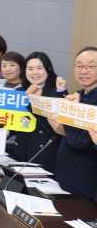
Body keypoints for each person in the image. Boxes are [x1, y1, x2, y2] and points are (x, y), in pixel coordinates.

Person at [50, 47, 97, 202]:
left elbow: (82, 141)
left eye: (90, 66)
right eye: (79, 66)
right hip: (65, 176)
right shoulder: (77, 95)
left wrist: (71, 112)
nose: (83, 71)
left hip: (86, 181)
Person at [19, 52, 67, 174]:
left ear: (48, 69)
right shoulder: (19, 91)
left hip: (44, 153)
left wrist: (36, 101)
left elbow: (56, 127)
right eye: (30, 69)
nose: (34, 72)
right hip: (21, 150)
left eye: (39, 68)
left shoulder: (57, 92)